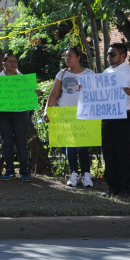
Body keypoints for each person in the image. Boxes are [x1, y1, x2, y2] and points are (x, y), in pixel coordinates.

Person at [45, 47, 95, 187]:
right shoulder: (62, 74)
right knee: (70, 144)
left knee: (82, 145)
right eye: (66, 56)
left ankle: (86, 174)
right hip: (65, 113)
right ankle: (74, 173)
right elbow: (54, 94)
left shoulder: (89, 73)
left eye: (70, 56)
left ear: (78, 57)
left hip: (84, 113)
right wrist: (47, 110)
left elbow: (96, 93)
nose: (67, 59)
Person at [101, 43, 130, 199]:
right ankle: (112, 187)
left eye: (112, 54)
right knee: (108, 152)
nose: (109, 57)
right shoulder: (106, 72)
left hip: (124, 115)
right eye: (108, 54)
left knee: (123, 153)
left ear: (123, 55)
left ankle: (125, 188)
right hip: (107, 116)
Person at [0, 52, 32, 181]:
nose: (13, 64)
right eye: (10, 61)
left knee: (21, 143)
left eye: (15, 61)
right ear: (3, 64)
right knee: (7, 143)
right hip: (3, 114)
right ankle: (9, 170)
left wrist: (35, 93)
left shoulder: (24, 79)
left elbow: (30, 94)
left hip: (20, 113)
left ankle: (24, 171)